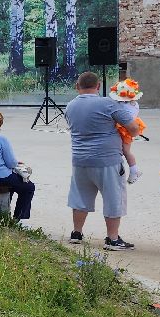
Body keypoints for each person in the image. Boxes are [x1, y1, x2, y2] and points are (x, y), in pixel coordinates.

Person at [64, 70, 141, 250]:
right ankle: (112, 239)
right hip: (108, 160)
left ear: (77, 86)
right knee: (114, 199)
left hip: (80, 160)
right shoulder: (108, 103)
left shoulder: (70, 106)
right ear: (98, 86)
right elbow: (133, 128)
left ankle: (77, 233)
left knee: (80, 197)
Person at [107, 78, 145, 183]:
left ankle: (134, 170)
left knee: (126, 151)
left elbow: (124, 118)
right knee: (121, 149)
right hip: (124, 127)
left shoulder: (124, 105)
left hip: (125, 129)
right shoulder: (133, 104)